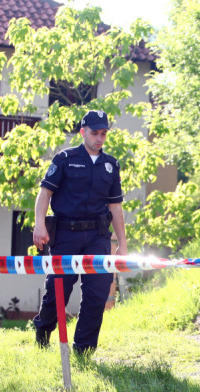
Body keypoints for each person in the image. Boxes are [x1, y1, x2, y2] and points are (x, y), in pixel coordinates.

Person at [32, 109, 127, 355]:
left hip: (98, 237)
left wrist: (122, 244)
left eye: (104, 134)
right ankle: (43, 330)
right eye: (95, 133)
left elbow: (115, 207)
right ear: (83, 132)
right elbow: (45, 193)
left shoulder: (111, 165)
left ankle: (83, 350)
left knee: (97, 293)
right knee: (58, 291)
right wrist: (39, 224)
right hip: (66, 235)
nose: (99, 138)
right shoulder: (65, 158)